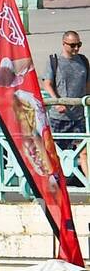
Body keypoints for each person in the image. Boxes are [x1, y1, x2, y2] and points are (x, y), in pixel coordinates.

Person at [42, 31, 88, 177]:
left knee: (84, 151)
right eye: (72, 45)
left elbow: (87, 85)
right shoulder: (54, 61)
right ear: (64, 43)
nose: (76, 49)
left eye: (78, 45)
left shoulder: (83, 61)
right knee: (56, 153)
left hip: (79, 116)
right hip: (59, 117)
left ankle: (88, 184)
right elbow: (47, 84)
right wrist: (57, 102)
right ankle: (57, 185)